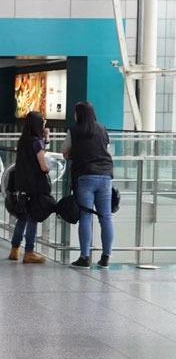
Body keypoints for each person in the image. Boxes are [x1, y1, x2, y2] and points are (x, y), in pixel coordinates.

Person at [63, 101, 114, 268]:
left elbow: (65, 152)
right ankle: (106, 257)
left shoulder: (75, 130)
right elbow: (106, 147)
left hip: (85, 176)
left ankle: (85, 257)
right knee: (105, 217)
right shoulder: (102, 129)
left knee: (85, 216)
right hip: (105, 176)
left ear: (79, 114)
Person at [9, 111, 50, 264]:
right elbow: (43, 165)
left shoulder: (23, 141)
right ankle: (29, 252)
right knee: (32, 218)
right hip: (34, 186)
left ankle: (14, 249)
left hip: (21, 184)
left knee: (22, 217)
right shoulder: (36, 142)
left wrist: (45, 139)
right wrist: (47, 168)